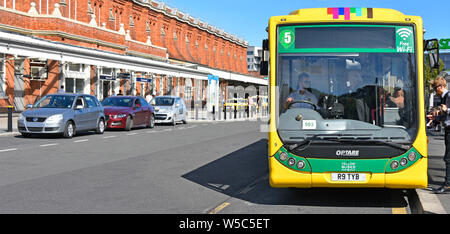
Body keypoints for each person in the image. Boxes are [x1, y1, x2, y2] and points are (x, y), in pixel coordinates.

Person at [432, 76, 450, 194]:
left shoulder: (448, 96)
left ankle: (448, 184)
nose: (435, 91)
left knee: (448, 157)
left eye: (435, 88)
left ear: (441, 86)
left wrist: (447, 109)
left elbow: (447, 112)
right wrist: (436, 118)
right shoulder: (444, 97)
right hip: (448, 128)